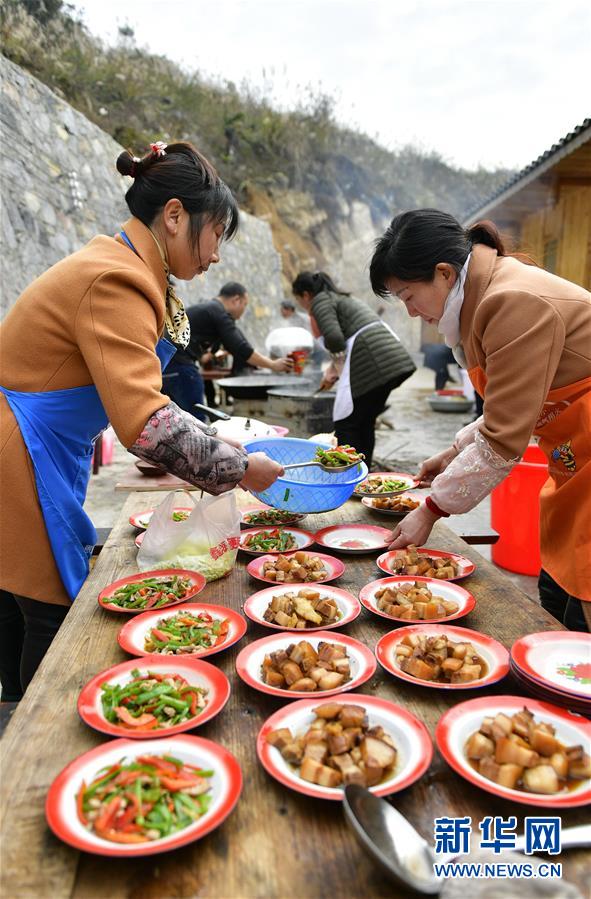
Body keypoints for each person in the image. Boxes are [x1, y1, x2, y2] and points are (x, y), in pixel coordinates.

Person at [0, 140, 284, 700]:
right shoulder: (116, 278)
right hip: (20, 449)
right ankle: (33, 734)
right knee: (50, 611)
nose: (216, 256)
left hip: (38, 445)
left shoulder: (121, 265)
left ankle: (11, 719)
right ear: (175, 216)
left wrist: (212, 438)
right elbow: (146, 423)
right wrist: (241, 469)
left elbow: (145, 398)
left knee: (14, 599)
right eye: (216, 234)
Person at [370, 208, 591, 632]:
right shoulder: (483, 299)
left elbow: (502, 441)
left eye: (408, 296)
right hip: (573, 460)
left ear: (444, 274)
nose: (411, 312)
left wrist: (431, 510)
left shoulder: (511, 301)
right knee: (559, 587)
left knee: (582, 603)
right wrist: (453, 451)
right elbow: (512, 406)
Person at [292, 271, 416, 467]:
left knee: (346, 422)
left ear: (305, 295)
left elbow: (334, 338)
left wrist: (337, 368)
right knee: (365, 420)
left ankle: (347, 473)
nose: (302, 304)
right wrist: (334, 370)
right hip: (391, 360)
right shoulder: (341, 299)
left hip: (372, 359)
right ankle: (363, 473)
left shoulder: (320, 301)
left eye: (299, 300)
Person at [167, 283, 293, 411]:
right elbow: (241, 348)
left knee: (174, 415)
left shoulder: (211, 310)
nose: (244, 309)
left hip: (166, 362)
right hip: (178, 364)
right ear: (236, 300)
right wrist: (272, 364)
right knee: (196, 414)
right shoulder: (218, 312)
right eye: (245, 304)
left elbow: (233, 341)